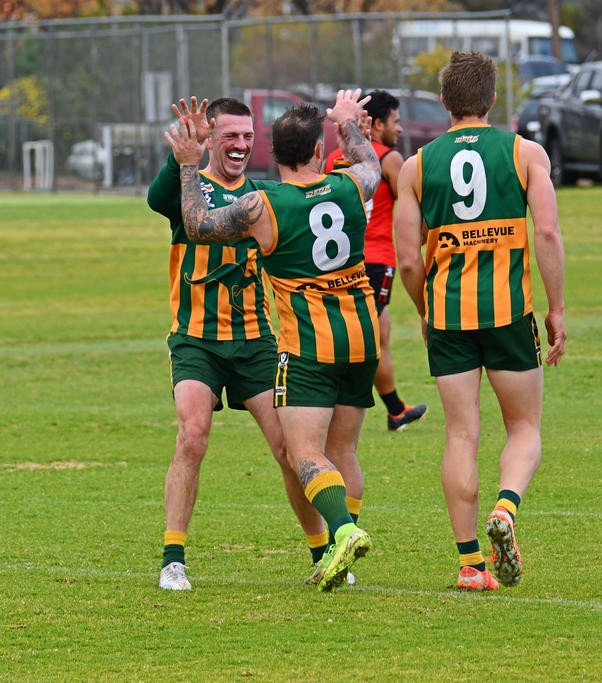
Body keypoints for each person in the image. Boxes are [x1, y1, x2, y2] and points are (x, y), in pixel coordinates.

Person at [167, 89, 381, 592]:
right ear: (314, 152)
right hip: (363, 337)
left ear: (272, 155)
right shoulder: (351, 185)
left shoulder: (263, 205)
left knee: (305, 454)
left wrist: (186, 164)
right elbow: (369, 160)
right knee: (343, 450)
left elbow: (197, 224)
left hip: (309, 343)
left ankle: (343, 534)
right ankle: (337, 555)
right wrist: (346, 122)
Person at [393, 51, 566, 591]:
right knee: (524, 426)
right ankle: (507, 510)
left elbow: (406, 260)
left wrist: (425, 311)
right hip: (510, 314)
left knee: (461, 433)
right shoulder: (525, 153)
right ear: (492, 99)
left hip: (449, 318)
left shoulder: (418, 166)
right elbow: (547, 235)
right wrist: (556, 309)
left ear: (444, 103)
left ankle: (471, 566)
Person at [147, 97, 329, 591]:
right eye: (230, 135)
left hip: (256, 342)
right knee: (193, 435)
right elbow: (156, 199)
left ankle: (323, 555)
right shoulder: (187, 187)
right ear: (209, 138)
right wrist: (180, 158)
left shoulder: (264, 197)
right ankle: (173, 560)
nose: (241, 145)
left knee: (290, 449)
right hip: (196, 342)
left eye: (248, 137)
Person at [325, 90, 428, 431]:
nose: (399, 130)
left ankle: (395, 409)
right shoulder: (387, 158)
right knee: (371, 338)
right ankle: (357, 404)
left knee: (377, 332)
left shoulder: (331, 161)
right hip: (376, 259)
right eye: (396, 122)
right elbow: (414, 208)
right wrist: (425, 236)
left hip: (340, 259)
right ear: (378, 123)